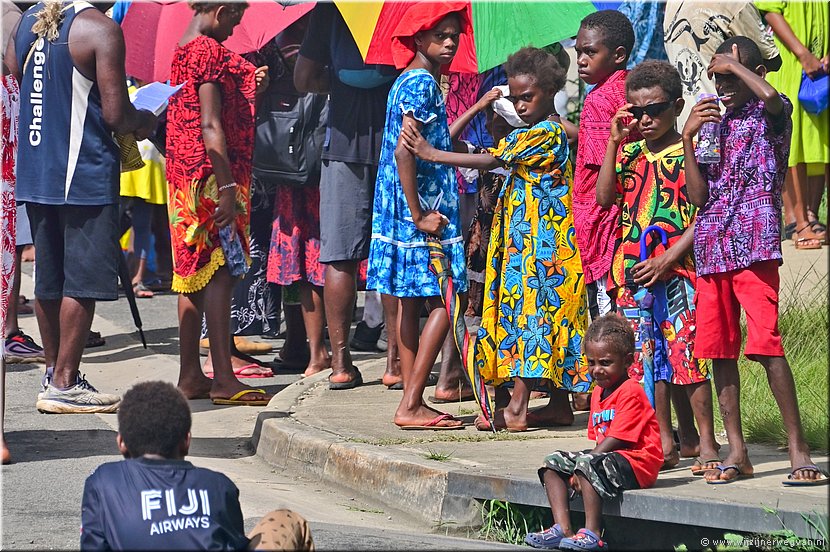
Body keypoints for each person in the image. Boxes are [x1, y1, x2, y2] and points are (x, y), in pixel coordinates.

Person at [402, 47, 588, 432]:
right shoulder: (532, 132)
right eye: (515, 97)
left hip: (544, 248)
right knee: (545, 319)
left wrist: (431, 153)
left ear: (551, 92)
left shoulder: (547, 132)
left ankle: (518, 408)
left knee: (533, 321)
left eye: (527, 98)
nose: (519, 106)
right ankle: (557, 405)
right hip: (529, 244)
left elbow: (492, 160)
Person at [683, 37, 827, 485]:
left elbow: (771, 98)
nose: (723, 85)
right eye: (718, 77)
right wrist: (688, 138)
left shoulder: (771, 113)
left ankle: (799, 448)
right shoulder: (710, 124)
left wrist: (738, 65)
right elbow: (698, 195)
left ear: (756, 73)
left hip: (755, 244)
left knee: (767, 345)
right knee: (719, 351)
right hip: (712, 247)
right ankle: (737, 450)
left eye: (731, 75)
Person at [6, 0, 157, 413]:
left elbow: (19, 82)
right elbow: (114, 114)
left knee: (49, 278)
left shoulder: (27, 26)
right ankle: (66, 381)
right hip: (83, 172)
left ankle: (53, 372)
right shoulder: (100, 29)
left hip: (37, 170)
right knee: (81, 282)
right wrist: (145, 120)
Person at [596, 61, 720, 473]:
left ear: (678, 105)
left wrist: (668, 257)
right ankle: (662, 442)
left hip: (678, 269)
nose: (645, 119)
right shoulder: (630, 151)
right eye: (636, 111)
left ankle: (707, 444)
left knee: (688, 356)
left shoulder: (692, 150)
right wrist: (614, 143)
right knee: (647, 360)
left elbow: (703, 211)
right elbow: (604, 198)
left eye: (655, 109)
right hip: (632, 270)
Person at [367, 3, 471, 430]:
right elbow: (404, 150)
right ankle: (412, 402)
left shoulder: (408, 80)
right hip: (425, 210)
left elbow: (423, 142)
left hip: (401, 208)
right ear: (418, 38)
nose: (449, 43)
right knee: (452, 295)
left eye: (454, 35)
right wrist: (420, 214)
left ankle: (413, 397)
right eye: (440, 35)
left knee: (409, 303)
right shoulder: (421, 84)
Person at [165, 1, 272, 405]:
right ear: (221, 10)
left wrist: (249, 80)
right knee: (222, 271)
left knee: (191, 275)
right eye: (235, 19)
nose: (235, 28)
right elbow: (210, 122)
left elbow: (222, 89)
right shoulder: (207, 51)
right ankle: (224, 378)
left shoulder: (184, 46)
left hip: (184, 176)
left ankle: (190, 375)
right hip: (213, 179)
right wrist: (227, 187)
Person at [294, 3, 400, 391]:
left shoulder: (332, 8)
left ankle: (340, 363)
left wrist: (337, 82)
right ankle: (395, 364)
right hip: (397, 146)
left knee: (340, 257)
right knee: (392, 252)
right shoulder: (402, 7)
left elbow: (303, 77)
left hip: (342, 145)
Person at [80, 381, 315, 551]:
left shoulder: (102, 482)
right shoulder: (218, 485)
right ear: (187, 441)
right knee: (286, 519)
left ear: (121, 443)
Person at [524, 314, 662, 551]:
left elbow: (618, 438)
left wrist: (583, 466)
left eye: (605, 363)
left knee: (587, 462)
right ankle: (562, 528)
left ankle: (593, 533)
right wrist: (578, 464)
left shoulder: (630, 391)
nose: (597, 370)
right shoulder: (598, 392)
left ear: (628, 361)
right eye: (591, 362)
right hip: (608, 457)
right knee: (553, 461)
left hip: (638, 463)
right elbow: (599, 439)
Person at [573, 10, 637, 321]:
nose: (581, 60)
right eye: (578, 53)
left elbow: (602, 174)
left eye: (590, 52)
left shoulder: (598, 100)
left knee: (605, 317)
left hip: (601, 220)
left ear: (618, 54)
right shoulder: (633, 90)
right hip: (632, 212)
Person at [756, 1, 827, 250]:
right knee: (792, 140)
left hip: (822, 66)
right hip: (791, 62)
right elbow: (771, 11)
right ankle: (796, 220)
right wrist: (804, 54)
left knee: (817, 140)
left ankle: (811, 215)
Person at [663, 1, 781, 129]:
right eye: (719, 76)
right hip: (714, 123)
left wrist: (733, 66)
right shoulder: (735, 4)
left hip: (691, 121)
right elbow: (772, 60)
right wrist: (734, 67)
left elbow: (771, 96)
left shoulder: (672, 3)